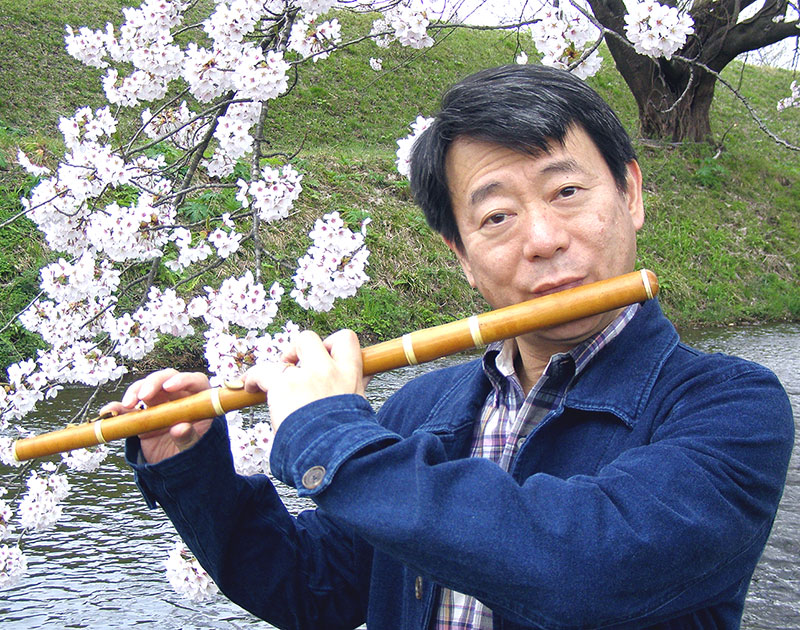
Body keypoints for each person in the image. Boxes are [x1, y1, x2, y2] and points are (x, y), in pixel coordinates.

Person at [103, 65, 794, 629]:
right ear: (460, 254)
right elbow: (316, 590)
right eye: (497, 216)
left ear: (630, 194)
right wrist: (189, 465)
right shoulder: (422, 407)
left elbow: (587, 568)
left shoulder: (730, 407)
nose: (543, 239)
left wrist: (330, 437)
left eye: (567, 190)